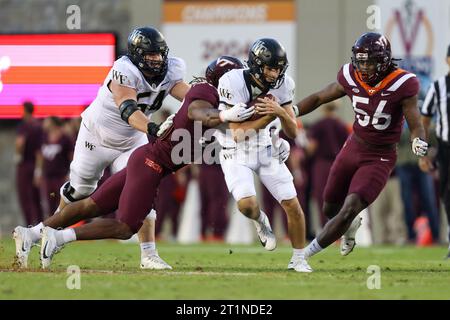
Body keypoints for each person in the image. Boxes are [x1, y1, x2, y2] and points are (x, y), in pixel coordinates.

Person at [22, 56, 254, 269]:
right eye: (238, 79)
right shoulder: (205, 94)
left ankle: (32, 234)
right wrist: (224, 116)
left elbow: (230, 130)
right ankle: (59, 237)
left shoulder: (217, 101)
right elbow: (197, 110)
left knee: (90, 205)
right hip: (150, 164)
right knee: (125, 227)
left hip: (146, 159)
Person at [13, 26, 190, 269]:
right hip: (97, 136)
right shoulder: (123, 69)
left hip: (131, 139)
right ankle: (42, 231)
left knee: (145, 186)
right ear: (137, 55)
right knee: (80, 191)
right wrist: (152, 128)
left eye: (160, 54)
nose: (157, 60)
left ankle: (148, 254)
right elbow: (128, 109)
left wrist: (210, 102)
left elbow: (189, 98)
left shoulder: (171, 69)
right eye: (150, 55)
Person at [293, 32, 428, 259]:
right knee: (330, 208)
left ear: (384, 60)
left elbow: (415, 123)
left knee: (349, 207)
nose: (364, 67)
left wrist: (418, 140)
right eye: (361, 61)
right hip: (353, 146)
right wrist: (293, 111)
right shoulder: (350, 75)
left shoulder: (403, 83)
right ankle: (352, 224)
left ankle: (303, 256)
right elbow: (318, 98)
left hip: (380, 156)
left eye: (370, 61)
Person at [215, 38, 312, 272]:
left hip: (266, 148)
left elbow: (292, 131)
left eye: (278, 68)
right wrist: (270, 116)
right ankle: (260, 221)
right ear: (257, 65)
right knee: (247, 205)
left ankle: (299, 259)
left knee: (292, 204)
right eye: (270, 67)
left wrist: (281, 112)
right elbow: (238, 134)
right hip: (234, 150)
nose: (274, 73)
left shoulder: (283, 84)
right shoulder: (233, 81)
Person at [419, 44, 450, 258]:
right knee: (447, 194)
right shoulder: (438, 86)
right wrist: (423, 151)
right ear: (447, 60)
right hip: (446, 147)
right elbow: (425, 120)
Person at [305, 102, 349, 226]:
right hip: (338, 165)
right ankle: (338, 230)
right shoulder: (341, 125)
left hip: (321, 164)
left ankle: (326, 229)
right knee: (338, 197)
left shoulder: (318, 125)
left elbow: (312, 147)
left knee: (322, 197)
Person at [35, 116, 73, 214]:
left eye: (46, 121)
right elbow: (40, 156)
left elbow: (71, 157)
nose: (44, 123)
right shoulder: (44, 137)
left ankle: (62, 225)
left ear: (52, 123)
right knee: (49, 201)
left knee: (61, 202)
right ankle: (51, 225)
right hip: (48, 177)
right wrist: (38, 173)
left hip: (61, 176)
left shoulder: (65, 138)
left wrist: (70, 173)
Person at [14, 101, 44, 226]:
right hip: (35, 166)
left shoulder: (25, 126)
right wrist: (38, 171)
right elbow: (40, 152)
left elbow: (20, 143)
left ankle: (28, 226)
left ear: (25, 110)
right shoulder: (38, 126)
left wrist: (17, 155)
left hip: (25, 165)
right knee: (36, 197)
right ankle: (40, 225)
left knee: (25, 197)